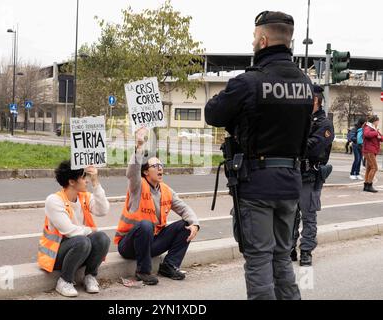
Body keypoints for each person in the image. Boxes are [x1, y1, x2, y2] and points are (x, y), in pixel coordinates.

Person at [205, 11, 313, 300]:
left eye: (254, 37)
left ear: (263, 40)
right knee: (281, 257)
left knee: (258, 259)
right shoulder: (305, 83)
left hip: (257, 185)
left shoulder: (249, 82)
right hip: (291, 184)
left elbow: (213, 113)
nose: (253, 42)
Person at [115, 127, 200, 286]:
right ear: (146, 172)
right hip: (128, 245)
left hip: (151, 243)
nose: (160, 168)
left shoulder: (166, 190)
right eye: (155, 166)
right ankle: (143, 271)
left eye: (161, 165)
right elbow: (132, 173)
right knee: (145, 225)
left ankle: (169, 265)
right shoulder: (137, 185)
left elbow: (184, 208)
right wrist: (139, 146)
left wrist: (195, 224)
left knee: (185, 225)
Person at [38, 160, 111, 297]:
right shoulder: (54, 200)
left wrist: (96, 182)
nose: (86, 181)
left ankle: (90, 277)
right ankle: (64, 281)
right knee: (82, 241)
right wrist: (90, 231)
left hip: (80, 250)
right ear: (72, 182)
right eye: (83, 177)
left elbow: (103, 210)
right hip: (55, 255)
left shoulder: (84, 197)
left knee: (102, 238)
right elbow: (69, 231)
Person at [291, 85, 335, 266]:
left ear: (315, 100)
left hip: (310, 174)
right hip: (293, 173)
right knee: (290, 215)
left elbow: (314, 145)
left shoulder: (324, 124)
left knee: (308, 215)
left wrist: (292, 143)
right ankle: (289, 248)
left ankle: (307, 250)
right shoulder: (301, 120)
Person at [362, 115, 383, 193]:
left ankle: (366, 186)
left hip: (372, 150)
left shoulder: (374, 129)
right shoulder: (368, 127)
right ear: (374, 121)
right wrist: (376, 132)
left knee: (369, 168)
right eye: (377, 121)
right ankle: (369, 184)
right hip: (369, 151)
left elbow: (381, 138)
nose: (378, 122)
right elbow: (367, 134)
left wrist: (379, 136)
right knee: (374, 168)